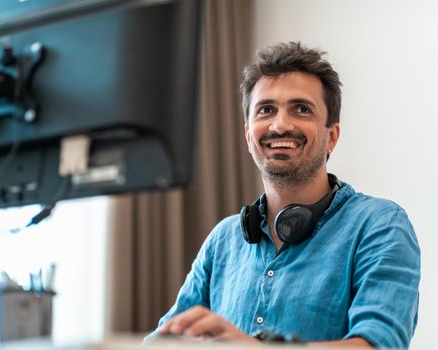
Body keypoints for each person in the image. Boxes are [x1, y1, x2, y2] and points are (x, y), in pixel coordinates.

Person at [148, 42, 420, 348]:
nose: (280, 125)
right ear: (248, 133)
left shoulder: (380, 225)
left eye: (301, 109)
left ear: (332, 136)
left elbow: (380, 345)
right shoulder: (223, 240)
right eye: (266, 110)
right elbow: (162, 342)